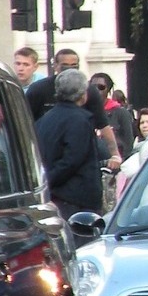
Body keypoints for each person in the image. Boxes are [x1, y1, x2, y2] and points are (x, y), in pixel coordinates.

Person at [26, 48, 121, 172]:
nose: (70, 70)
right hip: (47, 144)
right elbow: (25, 125)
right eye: (65, 66)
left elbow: (103, 124)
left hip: (81, 144)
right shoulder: (38, 89)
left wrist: (115, 155)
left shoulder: (90, 91)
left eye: (74, 66)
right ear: (55, 66)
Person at [34, 69, 103, 219]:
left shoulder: (44, 120)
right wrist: (50, 180)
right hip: (75, 198)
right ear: (83, 94)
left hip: (55, 194)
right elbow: (72, 160)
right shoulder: (79, 120)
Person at [91, 72, 136, 158]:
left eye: (101, 87)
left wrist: (121, 160)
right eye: (93, 87)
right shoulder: (84, 112)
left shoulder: (121, 112)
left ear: (108, 89)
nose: (97, 90)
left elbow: (129, 141)